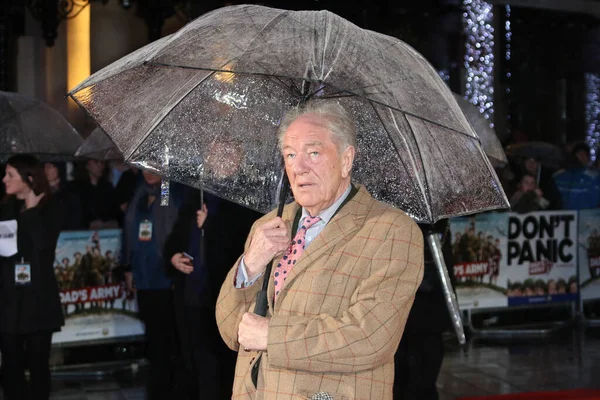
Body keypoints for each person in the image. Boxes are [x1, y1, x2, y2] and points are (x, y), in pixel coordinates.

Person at [215, 101, 424, 399]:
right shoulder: (269, 225)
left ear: (346, 160)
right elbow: (230, 331)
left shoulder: (391, 231)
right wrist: (251, 265)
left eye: (313, 153)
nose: (298, 168)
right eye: (290, 155)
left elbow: (370, 337)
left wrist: (272, 336)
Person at [165, 191, 260, 399]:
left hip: (221, 297)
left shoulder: (241, 200)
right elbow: (176, 237)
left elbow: (242, 247)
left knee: (220, 366)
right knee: (195, 362)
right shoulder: (195, 197)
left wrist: (210, 225)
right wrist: (172, 256)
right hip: (191, 294)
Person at [0, 154, 65, 400]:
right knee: (10, 366)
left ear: (28, 178)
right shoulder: (4, 207)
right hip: (9, 300)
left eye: (10, 175)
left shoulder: (49, 208)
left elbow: (43, 249)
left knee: (38, 365)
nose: (4, 179)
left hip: (38, 301)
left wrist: (31, 211)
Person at [121, 171, 185, 400]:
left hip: (166, 273)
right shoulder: (139, 192)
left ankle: (172, 386)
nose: (148, 172)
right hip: (143, 273)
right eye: (145, 168)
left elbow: (174, 224)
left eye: (154, 167)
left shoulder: (169, 190)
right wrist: (128, 267)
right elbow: (129, 231)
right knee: (153, 333)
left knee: (169, 335)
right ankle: (158, 383)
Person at [393, 220, 454, 400]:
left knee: (422, 377)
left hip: (427, 307)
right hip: (401, 311)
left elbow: (442, 261)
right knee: (403, 377)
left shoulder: (436, 221)